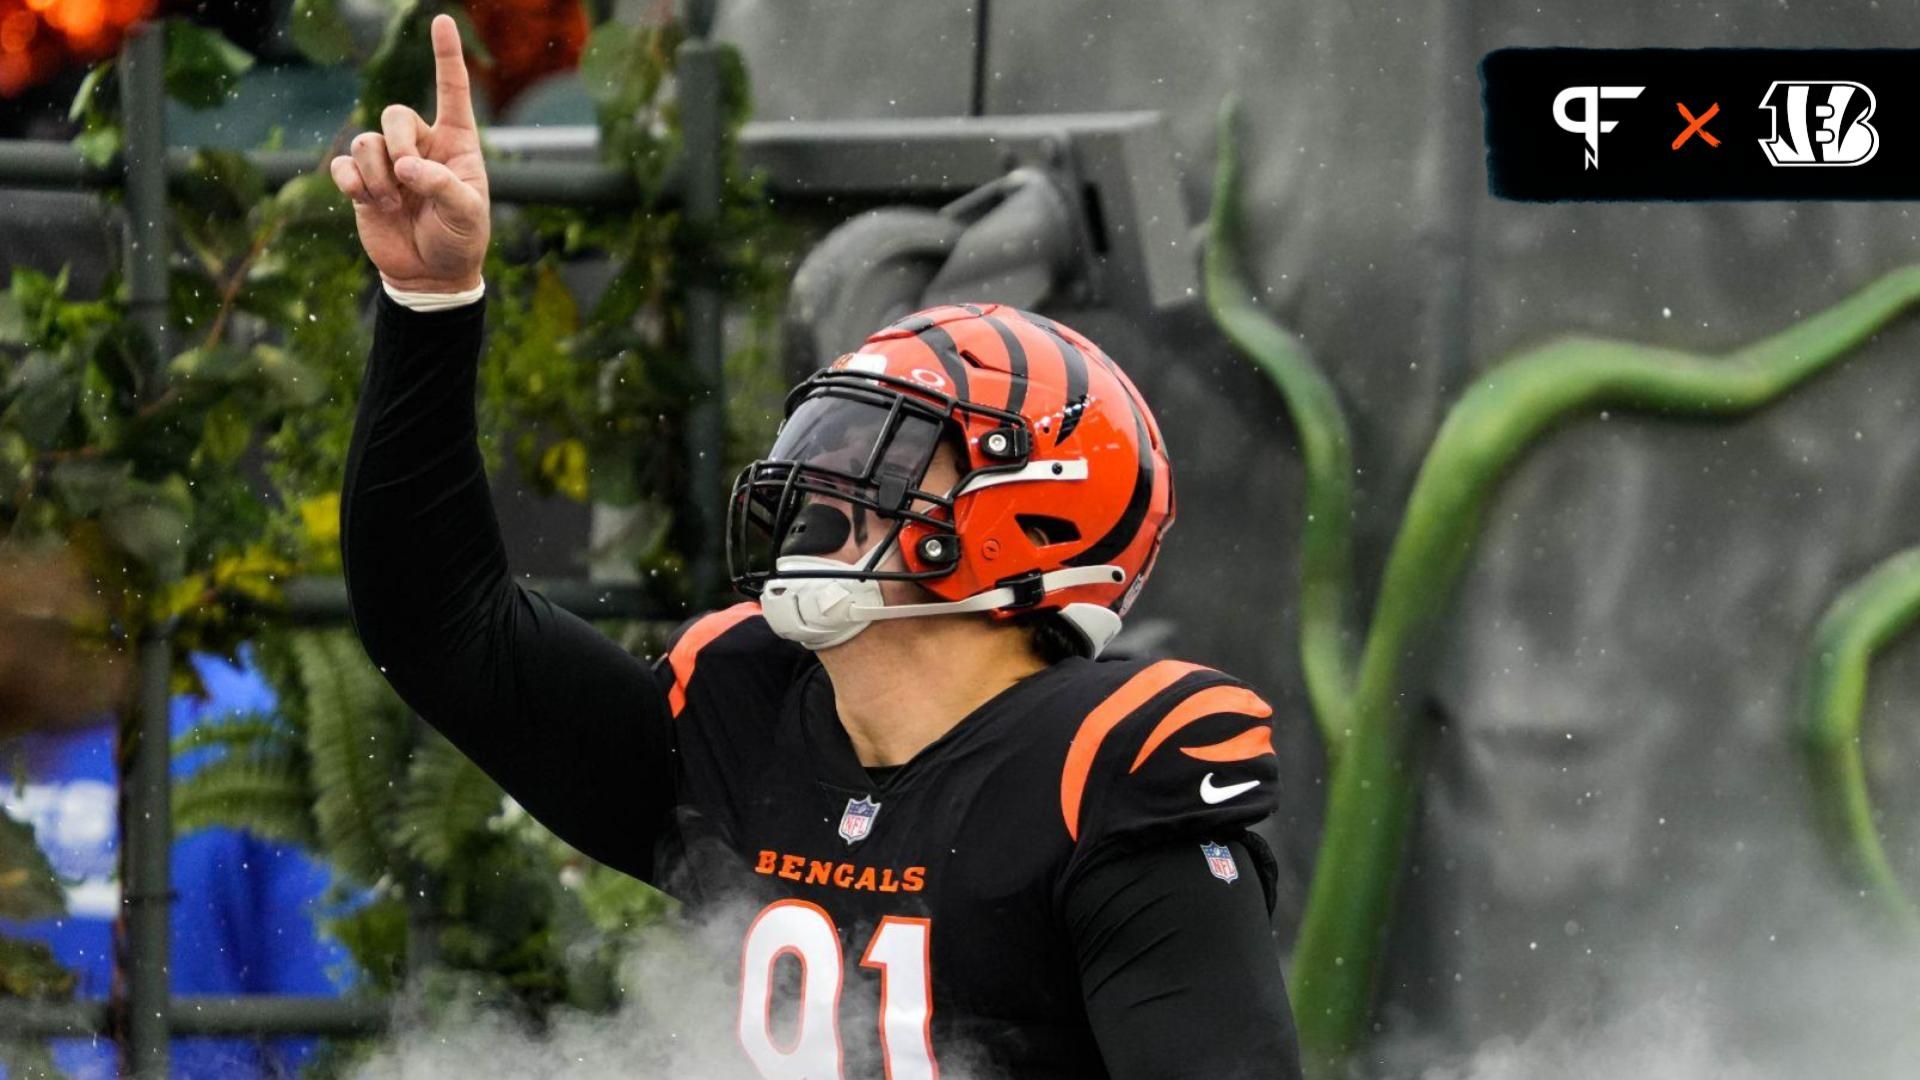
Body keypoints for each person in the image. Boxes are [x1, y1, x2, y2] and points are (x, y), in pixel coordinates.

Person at [330, 15, 1302, 1079]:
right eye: (828, 437)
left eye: (887, 454)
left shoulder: (1094, 781)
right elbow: (438, 624)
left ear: (1034, 512)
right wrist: (429, 303)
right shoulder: (749, 722)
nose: (820, 488)